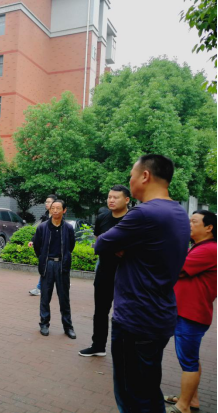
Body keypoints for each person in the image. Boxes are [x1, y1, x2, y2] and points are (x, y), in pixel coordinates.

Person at [94, 154, 191, 413]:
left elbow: (101, 244)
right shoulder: (179, 212)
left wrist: (123, 247)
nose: (131, 181)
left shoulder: (144, 213)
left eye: (132, 176)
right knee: (148, 391)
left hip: (135, 319)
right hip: (160, 315)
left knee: (132, 399)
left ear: (145, 176)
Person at [164, 210, 217, 413]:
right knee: (189, 357)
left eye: (194, 221)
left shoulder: (210, 249)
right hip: (188, 312)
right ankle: (191, 399)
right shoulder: (199, 246)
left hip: (192, 314)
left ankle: (184, 406)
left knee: (188, 360)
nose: (189, 225)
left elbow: (175, 269)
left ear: (209, 227)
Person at [79, 185, 130, 357]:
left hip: (127, 273)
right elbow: (98, 244)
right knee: (100, 311)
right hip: (104, 271)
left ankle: (125, 350)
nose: (111, 200)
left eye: (116, 197)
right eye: (109, 197)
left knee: (124, 313)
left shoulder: (132, 219)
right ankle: (98, 345)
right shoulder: (102, 218)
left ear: (127, 200)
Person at [29, 200, 77, 339]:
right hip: (48, 265)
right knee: (45, 297)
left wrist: (64, 258)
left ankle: (68, 327)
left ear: (64, 210)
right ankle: (44, 324)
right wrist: (44, 259)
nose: (55, 210)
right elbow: (37, 246)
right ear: (50, 210)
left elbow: (71, 246)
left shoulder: (68, 228)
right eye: (53, 208)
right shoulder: (42, 227)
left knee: (64, 298)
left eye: (58, 208)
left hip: (62, 265)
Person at [29, 194, 57, 296]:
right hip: (45, 247)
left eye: (49, 202)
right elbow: (39, 231)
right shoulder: (45, 216)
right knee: (48, 267)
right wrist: (33, 240)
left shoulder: (58, 216)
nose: (46, 203)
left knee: (47, 267)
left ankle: (39, 288)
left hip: (54, 247)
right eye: (46, 202)